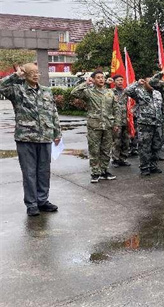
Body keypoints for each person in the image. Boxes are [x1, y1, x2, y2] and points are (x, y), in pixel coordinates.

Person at [0, 64, 62, 216]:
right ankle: (31, 204)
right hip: (26, 137)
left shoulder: (46, 91)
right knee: (29, 173)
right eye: (31, 72)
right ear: (25, 74)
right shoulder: (17, 90)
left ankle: (42, 201)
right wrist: (16, 75)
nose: (35, 75)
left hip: (45, 137)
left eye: (37, 72)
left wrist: (57, 132)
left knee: (44, 171)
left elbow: (53, 112)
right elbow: (1, 86)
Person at [72, 71, 121, 183]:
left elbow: (116, 109)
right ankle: (95, 172)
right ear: (93, 80)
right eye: (98, 78)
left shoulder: (110, 92)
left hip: (108, 125)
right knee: (94, 150)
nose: (101, 80)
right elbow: (74, 93)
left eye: (102, 77)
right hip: (94, 126)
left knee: (106, 150)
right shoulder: (88, 92)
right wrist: (86, 82)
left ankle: (104, 171)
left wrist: (117, 123)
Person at [124, 78, 163, 176]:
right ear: (145, 83)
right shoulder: (139, 92)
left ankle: (153, 166)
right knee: (144, 147)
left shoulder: (157, 93)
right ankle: (144, 167)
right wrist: (137, 83)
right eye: (149, 82)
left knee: (156, 146)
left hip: (157, 124)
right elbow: (127, 91)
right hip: (145, 124)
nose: (151, 84)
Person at [111, 74, 131, 167]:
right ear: (114, 82)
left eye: (121, 80)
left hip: (126, 120)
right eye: (118, 80)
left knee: (126, 141)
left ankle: (123, 159)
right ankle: (115, 159)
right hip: (116, 120)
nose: (120, 82)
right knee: (116, 141)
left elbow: (131, 104)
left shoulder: (126, 92)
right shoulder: (111, 92)